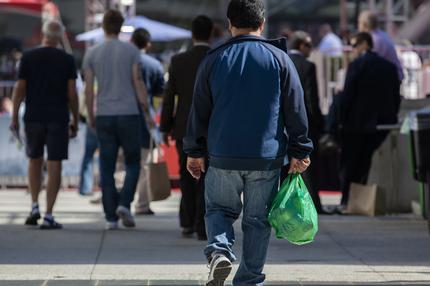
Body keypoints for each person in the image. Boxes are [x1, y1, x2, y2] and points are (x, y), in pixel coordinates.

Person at [183, 1, 313, 285]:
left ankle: (219, 251)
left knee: (218, 209)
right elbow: (296, 108)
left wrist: (194, 151)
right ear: (262, 23)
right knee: (257, 221)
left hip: (222, 155)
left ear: (230, 24)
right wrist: (300, 150)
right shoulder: (280, 59)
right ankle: (250, 279)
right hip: (266, 158)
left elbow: (199, 110)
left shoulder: (214, 59)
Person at [83, 10, 153, 230]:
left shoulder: (92, 53)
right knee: (133, 162)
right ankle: (124, 203)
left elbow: (88, 89)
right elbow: (137, 81)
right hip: (129, 113)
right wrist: (147, 111)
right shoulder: (131, 50)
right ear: (121, 27)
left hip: (104, 113)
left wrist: (90, 115)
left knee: (106, 166)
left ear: (103, 26)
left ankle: (110, 217)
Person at [10, 20, 79, 229]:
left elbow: (19, 89)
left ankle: (34, 206)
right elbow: (72, 93)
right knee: (55, 163)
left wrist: (14, 117)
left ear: (43, 34)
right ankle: (49, 214)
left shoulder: (29, 57)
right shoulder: (67, 59)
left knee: (34, 160)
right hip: (58, 117)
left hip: (33, 116)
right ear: (59, 37)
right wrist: (75, 118)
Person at [160, 15, 213, 240]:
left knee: (186, 174)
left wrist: (165, 126)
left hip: (183, 127)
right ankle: (203, 224)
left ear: (192, 34)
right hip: (211, 127)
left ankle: (186, 222)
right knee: (208, 176)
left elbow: (169, 96)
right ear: (211, 34)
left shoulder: (178, 61)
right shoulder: (217, 58)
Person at [337, 32, 401, 209]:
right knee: (365, 162)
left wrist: (341, 119)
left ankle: (347, 201)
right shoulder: (389, 67)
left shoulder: (357, 65)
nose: (353, 49)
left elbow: (347, 96)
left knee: (350, 163)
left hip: (355, 124)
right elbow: (396, 96)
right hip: (381, 124)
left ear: (365, 43)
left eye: (355, 45)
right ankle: (361, 201)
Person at [283, 31, 326, 214]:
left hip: (281, 122)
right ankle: (312, 204)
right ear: (301, 45)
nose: (311, 49)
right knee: (308, 166)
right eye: (309, 45)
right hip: (304, 122)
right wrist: (318, 123)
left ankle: (284, 205)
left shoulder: (282, 62)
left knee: (282, 165)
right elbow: (311, 98)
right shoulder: (308, 66)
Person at [131, 28, 165, 216]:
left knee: (123, 161)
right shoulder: (154, 65)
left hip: (122, 115)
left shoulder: (124, 62)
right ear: (148, 44)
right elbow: (161, 92)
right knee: (145, 162)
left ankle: (121, 199)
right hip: (145, 118)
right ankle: (142, 203)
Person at [358, 10, 403, 81]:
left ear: (364, 24)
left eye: (359, 23)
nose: (358, 26)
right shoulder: (381, 34)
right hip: (392, 76)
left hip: (390, 78)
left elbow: (373, 64)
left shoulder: (375, 39)